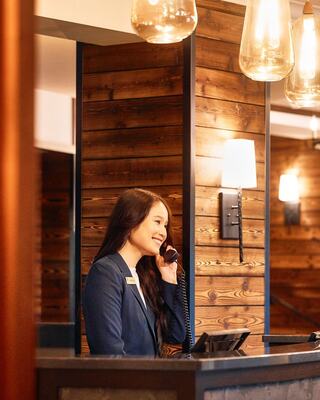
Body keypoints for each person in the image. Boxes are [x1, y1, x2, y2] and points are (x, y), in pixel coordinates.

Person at [83, 188, 186, 356]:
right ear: (131, 221)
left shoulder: (141, 276)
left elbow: (175, 335)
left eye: (165, 225)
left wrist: (169, 279)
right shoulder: (105, 272)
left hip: (148, 381)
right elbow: (109, 352)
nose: (163, 233)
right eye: (157, 222)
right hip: (128, 382)